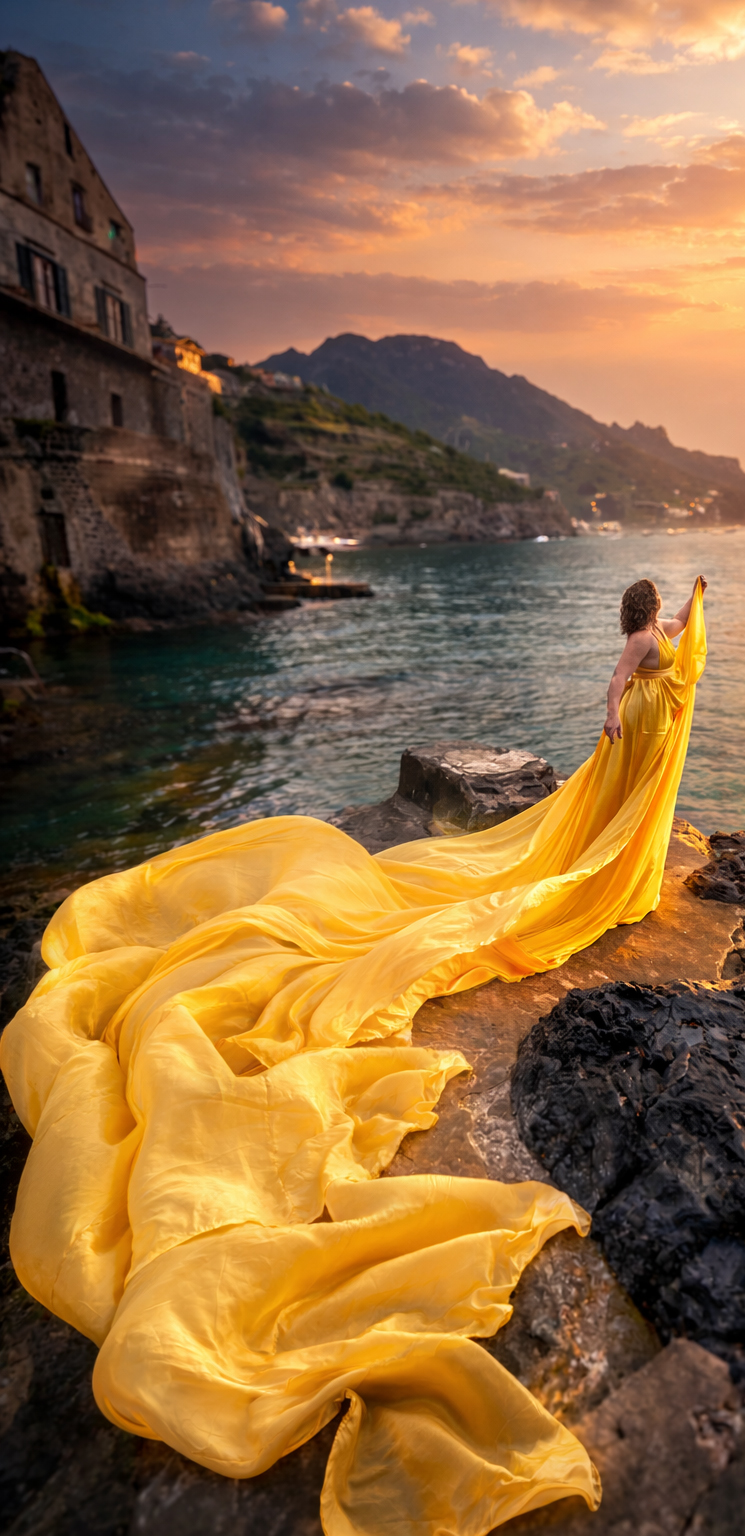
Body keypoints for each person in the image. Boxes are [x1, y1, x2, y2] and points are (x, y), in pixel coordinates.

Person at [0, 574, 707, 1536]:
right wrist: (619, 725)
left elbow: (674, 638)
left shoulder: (663, 627)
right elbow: (616, 689)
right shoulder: (635, 649)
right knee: (402, 934)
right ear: (639, 615)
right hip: (638, 744)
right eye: (655, 608)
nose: (657, 619)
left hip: (651, 745)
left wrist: (691, 616)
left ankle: (626, 856)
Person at [604, 574, 708, 743]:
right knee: (649, 759)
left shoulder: (656, 626)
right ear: (652, 602)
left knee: (653, 759)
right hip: (646, 709)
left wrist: (696, 594)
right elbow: (619, 676)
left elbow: (680, 620)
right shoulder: (641, 638)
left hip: (656, 706)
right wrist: (612, 716)